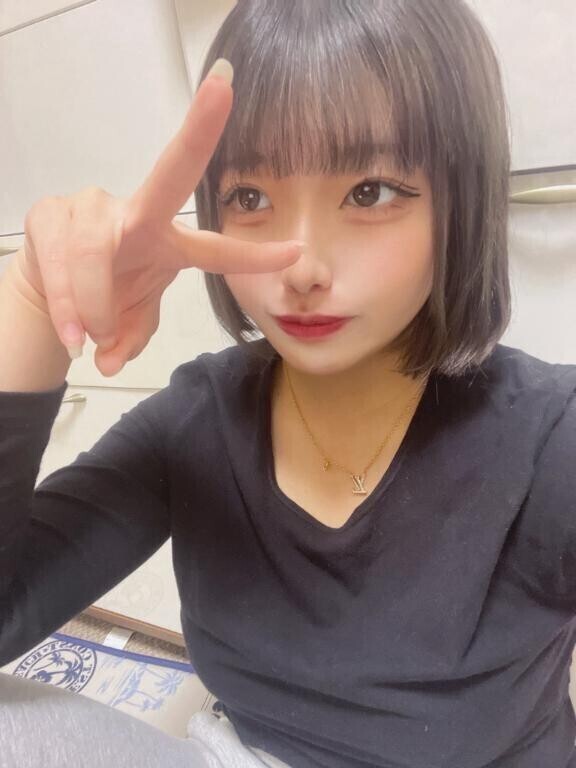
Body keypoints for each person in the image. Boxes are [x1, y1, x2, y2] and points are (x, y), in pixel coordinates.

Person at [1, 0, 575, 766]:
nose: (302, 268)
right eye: (250, 198)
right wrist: (34, 303)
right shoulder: (197, 419)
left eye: (370, 192)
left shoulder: (550, 442)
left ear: (461, 199)